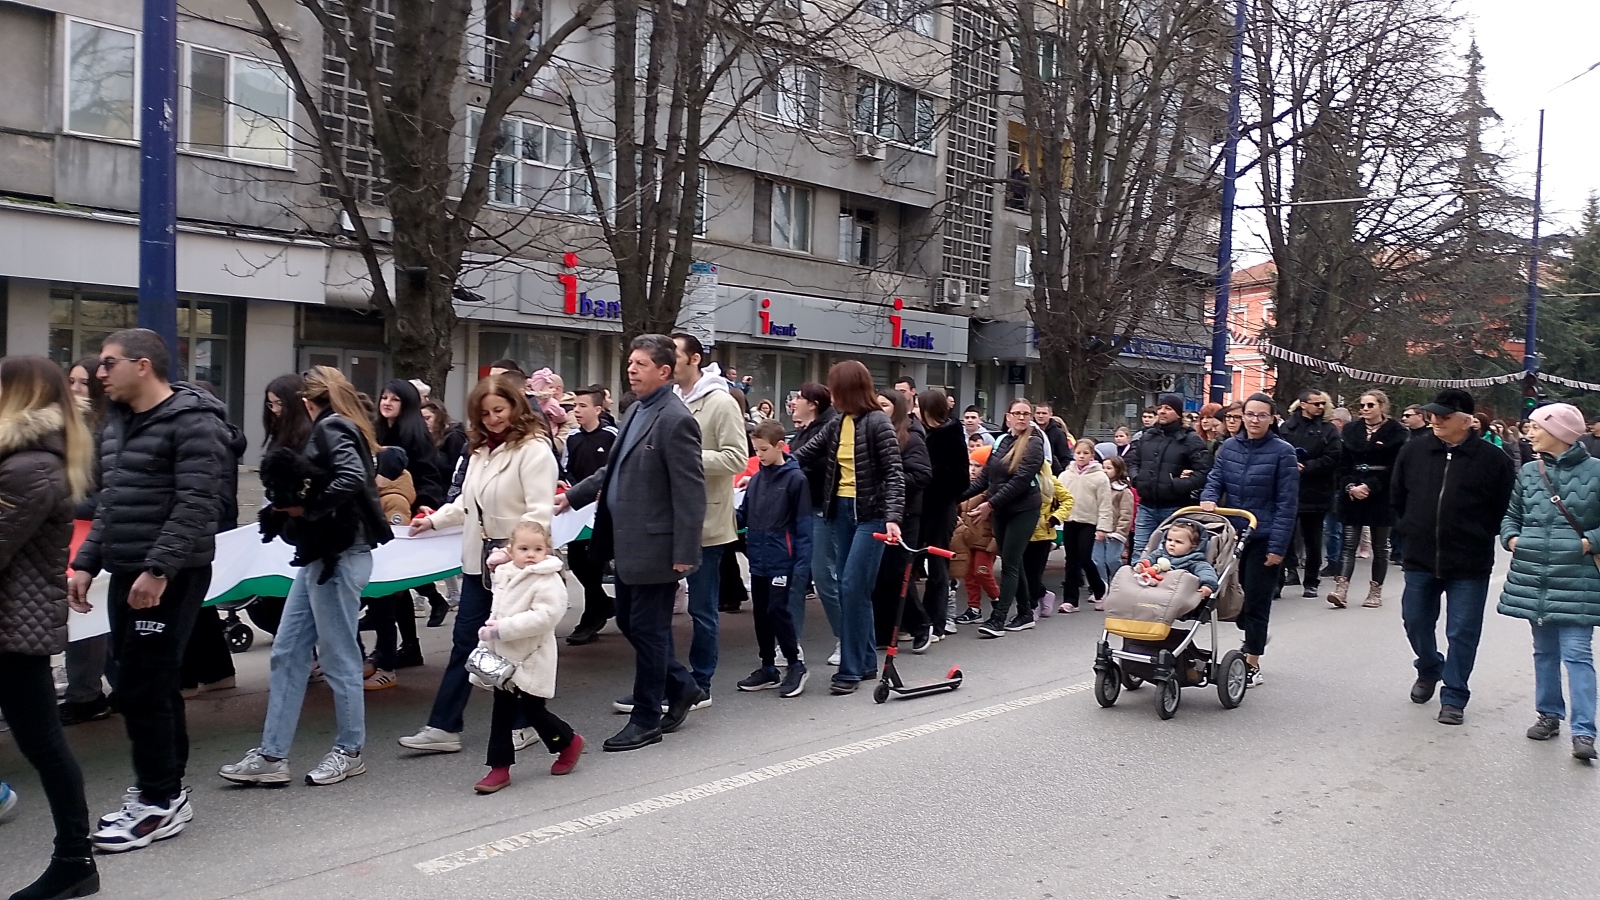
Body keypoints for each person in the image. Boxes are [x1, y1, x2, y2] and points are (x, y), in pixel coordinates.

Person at [68, 329, 228, 852]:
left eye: (108, 363)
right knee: (149, 684)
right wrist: (87, 563)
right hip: (127, 569)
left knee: (141, 686)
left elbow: (196, 502)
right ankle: (166, 790)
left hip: (169, 575)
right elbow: (111, 504)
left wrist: (159, 569)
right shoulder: (118, 423)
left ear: (143, 366)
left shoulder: (193, 421)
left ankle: (159, 800)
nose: (99, 373)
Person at [218, 366, 389, 789]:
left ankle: (346, 750)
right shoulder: (342, 424)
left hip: (336, 556)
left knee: (332, 657)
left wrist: (305, 509)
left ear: (306, 402)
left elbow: (351, 478)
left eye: (279, 405)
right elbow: (352, 477)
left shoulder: (331, 426)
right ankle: (274, 754)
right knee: (290, 651)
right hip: (328, 557)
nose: (274, 412)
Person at [560, 336, 706, 750]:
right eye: (630, 363)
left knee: (650, 630)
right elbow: (613, 468)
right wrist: (572, 497)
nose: (631, 369)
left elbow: (690, 492)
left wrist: (684, 552)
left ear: (664, 370)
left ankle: (647, 718)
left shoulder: (675, 419)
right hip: (627, 543)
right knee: (629, 622)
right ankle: (682, 687)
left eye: (641, 364)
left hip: (657, 547)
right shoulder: (638, 410)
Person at [399, 375, 558, 754]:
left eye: (499, 410)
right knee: (466, 641)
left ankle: (525, 722)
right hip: (479, 560)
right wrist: (434, 520)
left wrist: (515, 554)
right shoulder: (480, 450)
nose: (492, 419)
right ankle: (444, 726)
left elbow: (539, 514)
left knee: (517, 645)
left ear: (515, 406)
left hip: (517, 564)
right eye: (484, 413)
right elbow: (467, 503)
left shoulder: (535, 450)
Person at [0, 356, 100, 899]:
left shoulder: (29, 467)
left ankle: (74, 860)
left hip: (14, 630)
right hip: (14, 625)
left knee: (44, 744)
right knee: (43, 742)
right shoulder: (24, 460)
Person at [1391, 388, 1516, 726]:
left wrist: (1478, 533)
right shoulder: (1414, 451)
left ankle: (1455, 695)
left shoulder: (1494, 460)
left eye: (1444, 416)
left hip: (1469, 562)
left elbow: (1504, 507)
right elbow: (1398, 495)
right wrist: (1408, 527)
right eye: (1433, 414)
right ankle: (1429, 666)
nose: (1436, 420)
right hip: (1420, 557)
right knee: (1415, 620)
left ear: (1466, 421)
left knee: (1462, 631)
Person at [790, 361, 904, 693]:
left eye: (834, 386)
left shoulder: (878, 422)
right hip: (839, 511)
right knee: (851, 589)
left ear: (847, 388)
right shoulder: (839, 422)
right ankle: (866, 661)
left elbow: (894, 474)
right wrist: (767, 469)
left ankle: (850, 669)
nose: (831, 393)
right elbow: (804, 454)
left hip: (872, 516)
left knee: (852, 586)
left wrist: (893, 517)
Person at [1496, 403, 1600, 760]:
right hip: (1535, 576)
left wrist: (1587, 543)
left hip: (1579, 578)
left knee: (1577, 654)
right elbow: (1511, 515)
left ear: (1559, 432)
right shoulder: (1529, 471)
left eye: (1536, 427)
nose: (1529, 433)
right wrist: (1512, 539)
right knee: (1544, 652)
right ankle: (1548, 714)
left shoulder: (1597, 471)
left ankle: (1584, 732)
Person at [472, 521, 585, 793]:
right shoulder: (506, 573)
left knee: (533, 711)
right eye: (523, 549)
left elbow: (546, 617)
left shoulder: (548, 579)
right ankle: (499, 768)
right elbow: (499, 608)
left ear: (547, 550)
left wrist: (501, 630)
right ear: (511, 550)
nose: (531, 554)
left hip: (532, 658)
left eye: (538, 549)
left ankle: (568, 742)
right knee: (502, 714)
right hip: (505, 659)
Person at [667, 334, 748, 703]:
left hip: (706, 521)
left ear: (695, 359)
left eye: (675, 354)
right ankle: (664, 681)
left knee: (702, 609)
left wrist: (688, 458)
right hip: (667, 519)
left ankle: (701, 684)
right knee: (655, 609)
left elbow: (735, 458)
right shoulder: (670, 398)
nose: (668, 360)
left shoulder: (721, 401)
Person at [1200, 393, 1299, 687]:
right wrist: (1209, 497)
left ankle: (1253, 661)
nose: (1255, 420)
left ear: (1272, 418)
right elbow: (1216, 478)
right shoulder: (1229, 446)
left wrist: (1277, 547)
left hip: (1263, 535)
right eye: (1250, 414)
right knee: (1232, 599)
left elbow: (1287, 503)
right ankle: (1252, 634)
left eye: (1261, 415)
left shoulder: (1283, 452)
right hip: (1232, 534)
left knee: (1256, 600)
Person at [735, 421, 812, 697]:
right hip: (759, 558)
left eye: (764, 450)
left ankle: (795, 664)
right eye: (756, 450)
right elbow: (744, 515)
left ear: (780, 446)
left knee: (777, 611)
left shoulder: (796, 480)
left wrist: (801, 567)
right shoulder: (757, 480)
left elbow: (804, 527)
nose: (759, 455)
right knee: (761, 613)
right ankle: (768, 666)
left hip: (783, 559)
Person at [179, 381, 245, 700]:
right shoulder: (221, 438)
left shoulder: (210, 441)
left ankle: (191, 677)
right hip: (212, 529)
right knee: (198, 606)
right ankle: (216, 672)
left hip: (205, 531)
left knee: (190, 605)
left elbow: (214, 493)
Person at [959, 398, 1046, 637]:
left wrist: (989, 504)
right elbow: (986, 478)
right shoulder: (1002, 440)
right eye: (1017, 413)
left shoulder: (1034, 442)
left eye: (1026, 413)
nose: (1021, 417)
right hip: (1001, 510)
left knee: (1009, 564)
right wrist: (955, 497)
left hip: (1023, 510)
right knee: (1013, 561)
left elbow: (1020, 481)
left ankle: (998, 618)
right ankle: (1025, 613)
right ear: (1008, 417)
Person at [59, 357, 113, 727]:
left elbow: (109, 495)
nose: (76, 390)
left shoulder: (107, 430)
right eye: (71, 382)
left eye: (83, 383)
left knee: (88, 612)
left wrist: (65, 500)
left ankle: (86, 693)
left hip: (91, 537)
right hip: (70, 534)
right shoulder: (66, 426)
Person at [1327, 390, 1407, 609]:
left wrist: (1371, 486)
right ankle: (1341, 589)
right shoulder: (1352, 430)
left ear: (1382, 406)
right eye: (1362, 405)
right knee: (1348, 543)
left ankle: (1375, 591)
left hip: (1381, 493)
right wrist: (1350, 486)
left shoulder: (1396, 432)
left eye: (1370, 405)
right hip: (1353, 491)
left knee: (1380, 546)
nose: (1365, 409)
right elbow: (1343, 463)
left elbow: (1396, 467)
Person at [869, 390, 932, 650]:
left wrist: (888, 482)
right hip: (876, 514)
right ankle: (884, 632)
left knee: (898, 574)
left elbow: (921, 475)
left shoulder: (911, 437)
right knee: (877, 575)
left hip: (904, 515)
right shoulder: (873, 434)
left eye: (884, 405)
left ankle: (921, 625)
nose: (879, 409)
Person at [562, 385, 619, 646]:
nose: (576, 410)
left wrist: (602, 492)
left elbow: (616, 468)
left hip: (604, 510)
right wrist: (574, 490)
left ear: (598, 409)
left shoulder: (610, 435)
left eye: (582, 406)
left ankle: (592, 616)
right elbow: (565, 469)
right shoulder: (572, 438)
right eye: (575, 405)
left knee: (595, 560)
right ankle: (602, 603)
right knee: (576, 561)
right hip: (578, 508)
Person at [788, 382, 837, 658]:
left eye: (799, 397)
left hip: (820, 510)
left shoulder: (828, 428)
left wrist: (791, 471)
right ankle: (790, 644)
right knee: (795, 580)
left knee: (824, 578)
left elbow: (818, 467)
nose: (794, 402)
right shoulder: (804, 430)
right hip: (798, 511)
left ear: (813, 404)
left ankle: (846, 639)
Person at [1127, 393, 1211, 552]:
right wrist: (1137, 479)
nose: (1162, 411)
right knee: (1140, 550)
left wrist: (1178, 485)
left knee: (1170, 552)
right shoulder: (1148, 436)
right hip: (1146, 506)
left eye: (1168, 408)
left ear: (1178, 414)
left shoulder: (1190, 439)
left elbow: (1203, 471)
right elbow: (1133, 461)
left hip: (1175, 507)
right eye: (1160, 408)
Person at [1278, 389, 1341, 599]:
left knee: (1313, 539)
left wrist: (1308, 466)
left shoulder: (1328, 429)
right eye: (1316, 403)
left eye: (1323, 403)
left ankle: (1312, 581)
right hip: (1289, 488)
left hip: (1317, 490)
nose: (1320, 407)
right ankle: (1285, 575)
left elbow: (1333, 457)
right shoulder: (1287, 427)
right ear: (1303, 404)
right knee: (1284, 537)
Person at [917, 388, 967, 637]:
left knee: (937, 565)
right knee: (908, 563)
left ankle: (936, 622)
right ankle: (914, 620)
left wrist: (932, 478)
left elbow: (962, 478)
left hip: (940, 507)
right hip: (917, 508)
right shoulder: (918, 432)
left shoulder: (951, 435)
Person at [1058, 439, 1112, 613]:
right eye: (1078, 453)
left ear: (1092, 455)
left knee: (1084, 557)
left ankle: (1099, 589)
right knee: (1070, 560)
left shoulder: (1100, 477)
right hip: (1069, 521)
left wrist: (1103, 528)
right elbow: (1058, 498)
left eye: (1086, 453)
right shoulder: (1065, 475)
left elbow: (1105, 504)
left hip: (1089, 522)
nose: (1081, 456)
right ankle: (1070, 600)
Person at [1027, 457, 1073, 618]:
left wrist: (1055, 518)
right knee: (1022, 573)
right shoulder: (1020, 480)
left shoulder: (1050, 481)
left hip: (1043, 534)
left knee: (1034, 573)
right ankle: (1043, 594)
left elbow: (1068, 499)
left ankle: (1032, 607)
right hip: (1022, 532)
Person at [1136, 520, 1220, 599]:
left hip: (1177, 595)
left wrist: (1208, 585)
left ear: (1193, 546)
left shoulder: (1195, 561)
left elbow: (1206, 571)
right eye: (1169, 540)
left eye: (1178, 542)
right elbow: (1148, 560)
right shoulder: (1159, 553)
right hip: (1152, 590)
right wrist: (1140, 565)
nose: (1172, 544)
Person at [1095, 454, 1135, 590]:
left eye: (1109, 468)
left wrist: (1120, 532)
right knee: (1097, 561)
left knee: (1112, 560)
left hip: (1114, 533)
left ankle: (1120, 585)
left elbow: (1126, 514)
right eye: (1103, 467)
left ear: (1118, 470)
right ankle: (1102, 588)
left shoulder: (1123, 491)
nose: (1105, 471)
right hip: (1098, 530)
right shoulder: (1098, 487)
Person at [1034, 401, 1072, 472]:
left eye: (1044, 413)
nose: (1040, 416)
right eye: (1038, 413)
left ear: (1050, 415)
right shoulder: (1029, 430)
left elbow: (1065, 457)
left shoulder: (1058, 433)